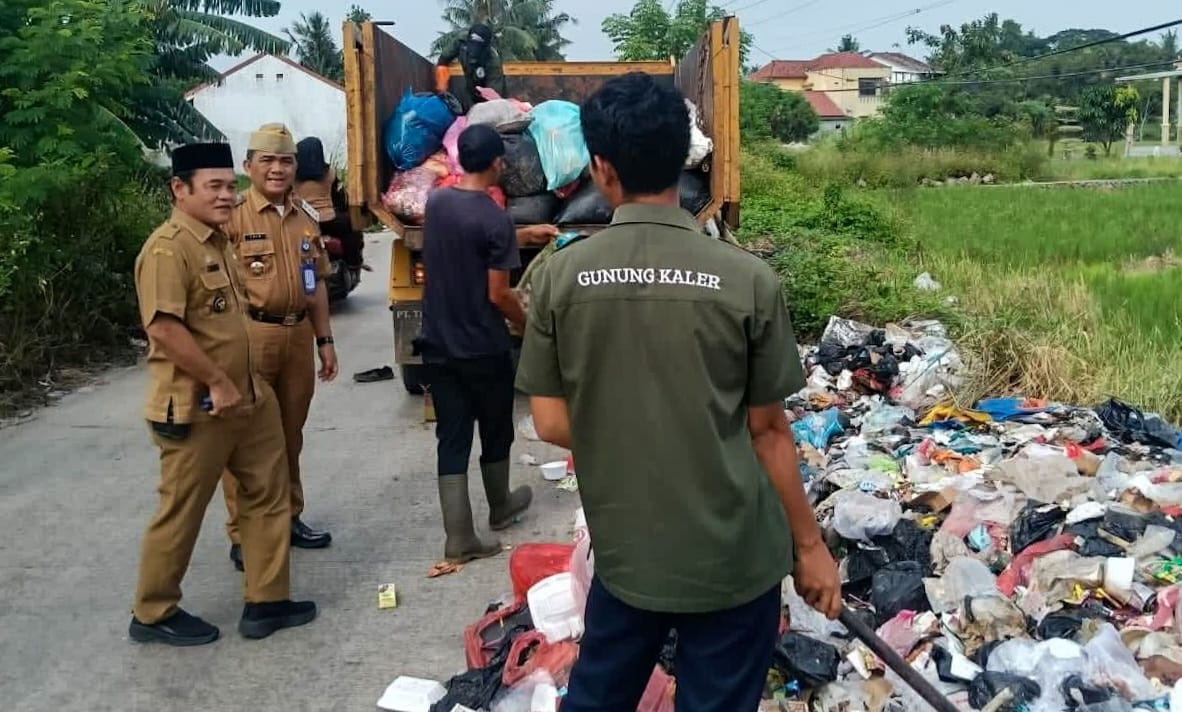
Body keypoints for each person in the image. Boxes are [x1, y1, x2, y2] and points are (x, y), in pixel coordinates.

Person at [515, 72, 843, 710]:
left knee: (597, 696)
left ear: (602, 169)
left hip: (629, 556)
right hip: (733, 563)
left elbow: (551, 423)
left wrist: (633, 429)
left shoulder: (561, 275)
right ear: (681, 162)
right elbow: (770, 432)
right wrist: (809, 548)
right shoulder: (748, 279)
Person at [129, 142, 317, 646]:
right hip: (198, 405)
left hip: (247, 398)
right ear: (179, 189)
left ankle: (267, 601)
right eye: (212, 187)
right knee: (182, 509)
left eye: (228, 185)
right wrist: (215, 379)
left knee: (268, 492)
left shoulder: (217, 242)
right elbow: (164, 329)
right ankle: (152, 612)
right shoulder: (168, 249)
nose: (225, 195)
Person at [221, 123, 340, 571]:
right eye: (267, 160)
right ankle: (243, 532)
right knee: (247, 442)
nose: (277, 169)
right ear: (248, 166)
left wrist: (325, 340)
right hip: (251, 338)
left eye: (285, 161)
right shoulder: (231, 219)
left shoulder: (305, 218)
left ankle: (289, 516)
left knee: (290, 434)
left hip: (297, 339)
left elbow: (317, 285)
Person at [417, 124, 533, 564]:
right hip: (483, 347)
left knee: (453, 437)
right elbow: (499, 294)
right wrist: (526, 324)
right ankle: (500, 507)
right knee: (496, 427)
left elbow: (467, 243)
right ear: (497, 164)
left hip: (438, 346)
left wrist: (524, 235)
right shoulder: (495, 218)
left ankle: (459, 538)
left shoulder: (438, 202)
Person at [294, 136, 365, 271]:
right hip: (329, 221)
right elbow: (340, 198)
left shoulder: (292, 176)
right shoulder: (329, 173)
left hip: (301, 221)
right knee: (353, 227)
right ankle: (353, 263)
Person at [435, 23, 506, 109]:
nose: (474, 50)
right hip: (468, 86)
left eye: (478, 47)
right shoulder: (461, 41)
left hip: (485, 92)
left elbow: (494, 97)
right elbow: (443, 60)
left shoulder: (493, 62)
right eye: (472, 44)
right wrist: (442, 89)